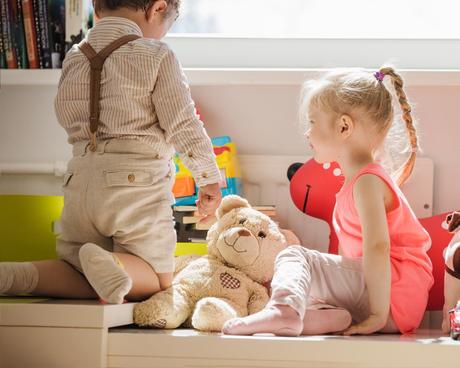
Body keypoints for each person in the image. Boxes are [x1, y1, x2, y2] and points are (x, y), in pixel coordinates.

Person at [0, 0, 222, 304]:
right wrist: (208, 177)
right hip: (134, 187)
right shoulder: (156, 54)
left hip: (80, 181)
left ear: (96, 5)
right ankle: (110, 262)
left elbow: (65, 114)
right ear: (156, 8)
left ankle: (19, 276)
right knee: (157, 278)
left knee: (76, 269)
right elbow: (183, 123)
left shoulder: (75, 57)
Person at [223, 67, 434, 336]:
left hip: (392, 296)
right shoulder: (357, 182)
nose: (307, 133)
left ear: (344, 127)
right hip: (386, 294)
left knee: (294, 254)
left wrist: (378, 315)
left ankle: (284, 312)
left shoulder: (368, 182)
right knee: (307, 291)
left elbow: (378, 247)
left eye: (312, 122)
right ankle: (314, 317)